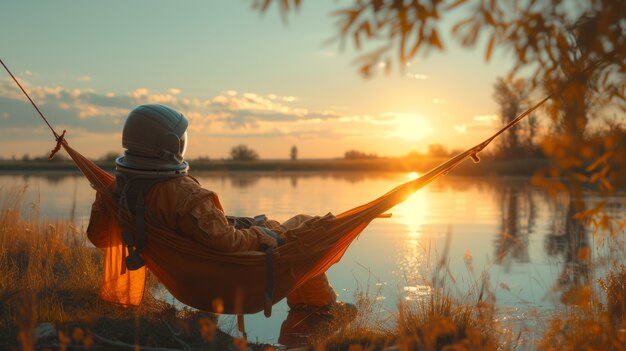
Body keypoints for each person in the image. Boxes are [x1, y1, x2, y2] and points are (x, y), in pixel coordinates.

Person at [87, 104, 354, 348]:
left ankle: (308, 316)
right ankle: (316, 312)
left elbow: (99, 237)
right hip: (229, 275)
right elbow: (226, 243)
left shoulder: (114, 192)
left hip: (188, 280)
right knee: (309, 228)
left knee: (288, 229)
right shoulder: (183, 194)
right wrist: (260, 234)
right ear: (168, 145)